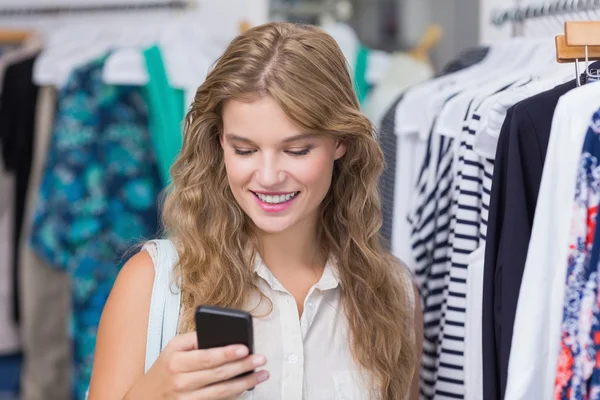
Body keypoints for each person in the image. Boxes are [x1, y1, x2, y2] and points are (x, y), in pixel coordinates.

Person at [88, 22, 423, 400]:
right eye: (244, 150)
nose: (267, 177)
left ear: (341, 142)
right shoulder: (151, 284)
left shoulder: (394, 295)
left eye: (297, 150)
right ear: (219, 143)